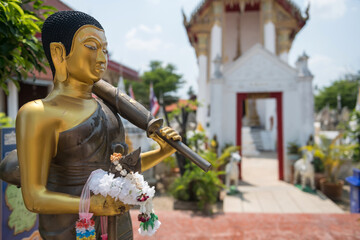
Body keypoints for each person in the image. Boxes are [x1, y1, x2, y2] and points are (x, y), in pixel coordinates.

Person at [15, 11, 180, 240]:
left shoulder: (108, 109)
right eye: (91, 47)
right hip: (70, 229)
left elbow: (121, 170)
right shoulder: (38, 113)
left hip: (117, 225)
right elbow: (34, 197)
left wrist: (164, 151)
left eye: (104, 50)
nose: (102, 59)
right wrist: (91, 204)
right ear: (59, 52)